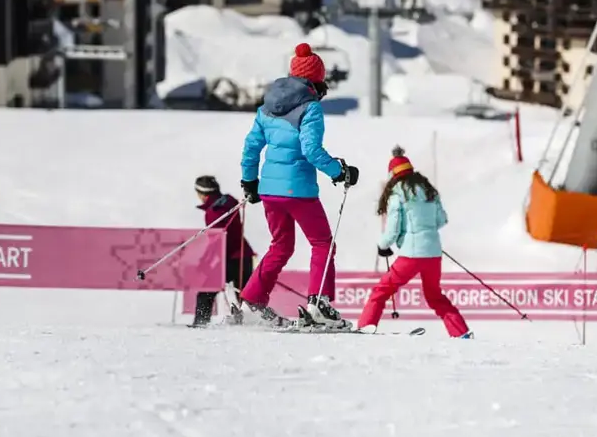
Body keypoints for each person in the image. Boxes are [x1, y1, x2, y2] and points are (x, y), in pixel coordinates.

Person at [239, 43, 359, 328]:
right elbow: (311, 150)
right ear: (316, 79)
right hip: (298, 191)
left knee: (281, 245)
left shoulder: (267, 107)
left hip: (269, 190)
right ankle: (319, 303)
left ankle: (253, 300)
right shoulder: (311, 108)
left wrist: (249, 181)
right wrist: (339, 171)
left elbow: (251, 147)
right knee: (322, 243)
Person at [357, 146, 473, 338]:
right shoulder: (429, 192)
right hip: (433, 253)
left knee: (381, 290)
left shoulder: (397, 194)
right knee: (435, 296)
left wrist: (382, 245)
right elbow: (441, 220)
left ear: (392, 175)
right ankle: (461, 332)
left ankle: (365, 325)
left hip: (411, 254)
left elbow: (392, 229)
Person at [191, 175, 255, 327]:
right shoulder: (229, 201)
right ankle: (257, 320)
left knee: (206, 292)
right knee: (246, 295)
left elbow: (216, 240)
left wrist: (205, 261)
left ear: (203, 194)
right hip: (243, 255)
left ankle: (200, 323)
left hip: (227, 258)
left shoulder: (213, 211)